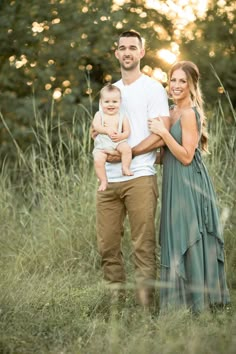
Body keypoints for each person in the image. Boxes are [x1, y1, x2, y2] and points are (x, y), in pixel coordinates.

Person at [92, 30, 169, 307]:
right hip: (108, 182)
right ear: (116, 53)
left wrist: (130, 152)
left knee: (143, 246)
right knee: (108, 246)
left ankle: (145, 309)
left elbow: (161, 135)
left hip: (140, 177)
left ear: (141, 53)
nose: (127, 52)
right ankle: (116, 308)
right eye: (122, 47)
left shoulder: (153, 88)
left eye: (132, 48)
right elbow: (98, 127)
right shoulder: (110, 92)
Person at [147, 60, 230, 313]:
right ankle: (176, 304)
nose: (176, 85)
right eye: (173, 80)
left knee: (190, 236)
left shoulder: (189, 113)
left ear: (192, 85)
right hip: (173, 181)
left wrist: (163, 133)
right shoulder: (170, 111)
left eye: (183, 81)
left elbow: (184, 155)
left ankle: (197, 304)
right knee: (174, 235)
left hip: (189, 181)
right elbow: (165, 156)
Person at [92, 84, 133, 191]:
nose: (111, 105)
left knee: (127, 149)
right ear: (101, 102)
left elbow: (127, 131)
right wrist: (106, 130)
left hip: (117, 141)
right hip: (102, 144)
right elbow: (96, 126)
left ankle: (125, 167)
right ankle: (103, 180)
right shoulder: (99, 114)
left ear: (120, 102)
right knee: (98, 159)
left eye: (114, 102)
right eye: (107, 102)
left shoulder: (122, 116)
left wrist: (121, 136)